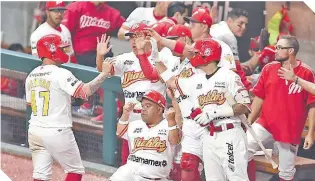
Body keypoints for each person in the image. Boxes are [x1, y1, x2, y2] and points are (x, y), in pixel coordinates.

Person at [152, 37, 251, 181]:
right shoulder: (196, 80)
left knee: (237, 178)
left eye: (196, 53)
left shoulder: (228, 76)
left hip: (229, 133)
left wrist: (215, 113)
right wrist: (156, 59)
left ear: (207, 54)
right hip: (209, 136)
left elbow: (245, 104)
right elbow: (172, 82)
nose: (192, 56)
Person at [25, 34, 113, 181]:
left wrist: (66, 101)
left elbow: (32, 105)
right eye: (61, 48)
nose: (64, 51)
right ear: (52, 50)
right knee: (75, 170)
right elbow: (85, 92)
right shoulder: (61, 73)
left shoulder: (31, 75)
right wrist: (104, 74)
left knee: (40, 175)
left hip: (34, 131)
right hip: (57, 131)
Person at [96, 23, 176, 165]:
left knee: (154, 161)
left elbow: (154, 76)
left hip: (155, 119)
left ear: (148, 37)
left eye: (137, 36)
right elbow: (103, 69)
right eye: (131, 37)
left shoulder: (160, 58)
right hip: (132, 116)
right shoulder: (124, 58)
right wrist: (100, 56)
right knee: (129, 162)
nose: (133, 41)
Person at [247, 35, 315, 181]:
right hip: (266, 123)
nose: (275, 50)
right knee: (242, 150)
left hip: (289, 128)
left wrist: (310, 133)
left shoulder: (306, 72)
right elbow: (259, 97)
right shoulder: (268, 68)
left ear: (291, 51)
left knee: (286, 172)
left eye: (279, 47)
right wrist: (249, 121)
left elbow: (312, 104)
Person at [110, 90, 181, 181]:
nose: (143, 109)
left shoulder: (169, 125)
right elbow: (120, 132)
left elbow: (174, 140)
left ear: (159, 109)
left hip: (156, 178)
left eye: (148, 106)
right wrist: (125, 113)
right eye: (143, 106)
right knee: (122, 173)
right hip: (131, 175)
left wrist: (172, 121)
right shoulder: (135, 124)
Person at [62, 1, 125, 67]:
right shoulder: (75, 7)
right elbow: (63, 32)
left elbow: (127, 27)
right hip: (82, 55)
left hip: (105, 54)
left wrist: (125, 32)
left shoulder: (111, 12)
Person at [210, 8, 253, 90]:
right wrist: (248, 88)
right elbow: (237, 69)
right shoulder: (228, 36)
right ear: (229, 21)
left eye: (246, 24)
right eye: (240, 23)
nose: (244, 27)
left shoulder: (220, 26)